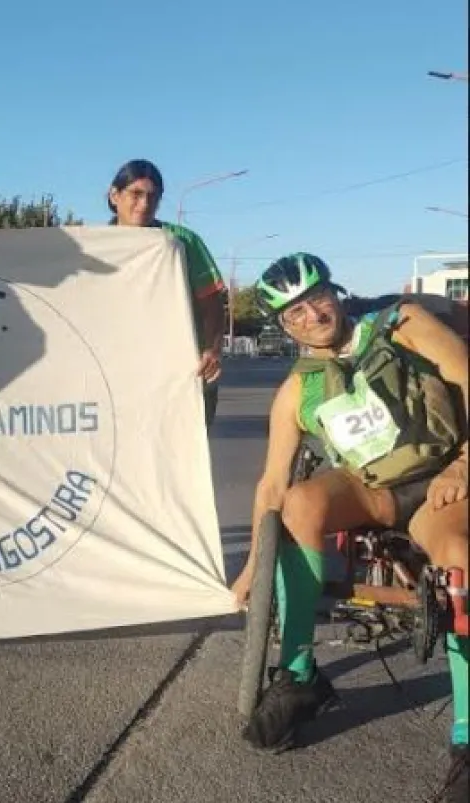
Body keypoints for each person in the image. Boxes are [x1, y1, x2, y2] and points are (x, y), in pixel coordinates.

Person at [231, 253, 468, 800]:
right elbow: (270, 484)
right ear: (283, 326)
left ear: (335, 292)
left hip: (439, 480)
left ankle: (466, 736)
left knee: (455, 556)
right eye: (293, 313)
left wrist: (463, 464)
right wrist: (252, 569)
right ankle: (299, 677)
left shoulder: (403, 324)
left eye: (316, 299)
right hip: (372, 490)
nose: (311, 316)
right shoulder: (298, 387)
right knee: (298, 503)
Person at [107, 159, 226, 426]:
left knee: (184, 458)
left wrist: (212, 350)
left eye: (153, 197)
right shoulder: (94, 246)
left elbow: (213, 303)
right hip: (121, 375)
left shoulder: (181, 242)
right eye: (135, 194)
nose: (144, 204)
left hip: (183, 372)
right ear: (114, 195)